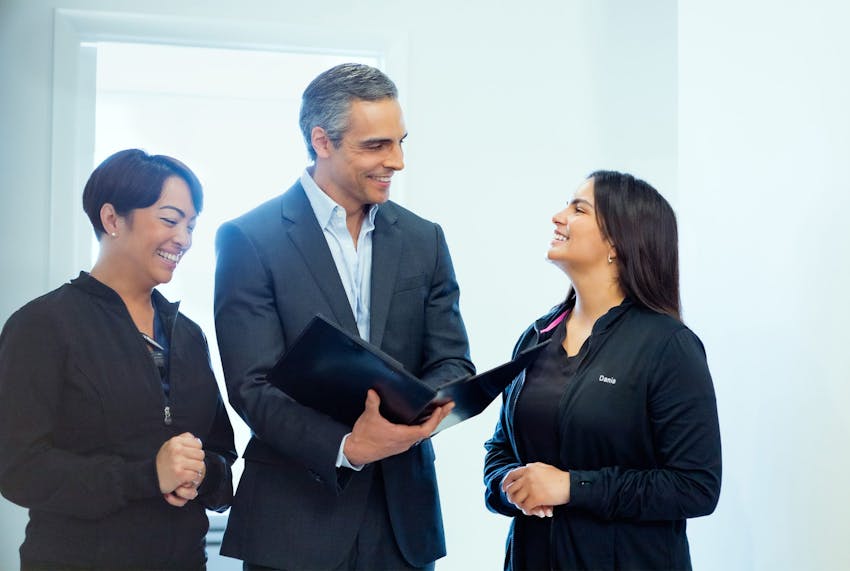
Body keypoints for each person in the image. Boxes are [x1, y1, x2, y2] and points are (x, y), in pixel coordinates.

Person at [214, 63, 474, 570]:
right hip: (295, 521)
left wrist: (420, 415)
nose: (396, 161)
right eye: (376, 146)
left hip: (403, 523)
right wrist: (348, 445)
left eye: (400, 142)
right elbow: (252, 386)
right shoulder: (250, 239)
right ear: (322, 141)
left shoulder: (426, 239)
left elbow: (453, 361)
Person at [0, 149, 237, 571]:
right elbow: (18, 468)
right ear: (112, 220)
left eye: (191, 225)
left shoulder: (188, 335)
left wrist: (202, 475)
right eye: (169, 219)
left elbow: (220, 453)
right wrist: (148, 476)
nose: (183, 238)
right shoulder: (42, 325)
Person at [483, 171, 722, 570]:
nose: (558, 217)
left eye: (578, 209)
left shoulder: (668, 345)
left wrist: (573, 488)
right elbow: (500, 449)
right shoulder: (537, 337)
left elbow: (696, 486)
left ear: (617, 241)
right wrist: (510, 486)